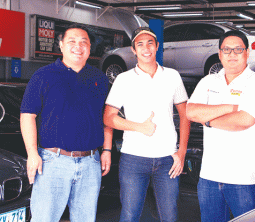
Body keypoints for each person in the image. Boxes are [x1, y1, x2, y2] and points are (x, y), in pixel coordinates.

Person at [20, 24, 112, 222]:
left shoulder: (100, 79)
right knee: (44, 218)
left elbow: (106, 118)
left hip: (90, 163)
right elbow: (28, 115)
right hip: (52, 162)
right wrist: (32, 153)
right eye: (72, 42)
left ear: (90, 48)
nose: (78, 46)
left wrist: (107, 150)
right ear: (61, 46)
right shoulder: (43, 76)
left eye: (84, 42)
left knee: (85, 219)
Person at [104, 27, 190, 222]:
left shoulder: (172, 76)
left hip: (168, 159)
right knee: (130, 216)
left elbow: (186, 116)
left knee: (169, 216)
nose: (146, 48)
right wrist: (139, 127)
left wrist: (182, 153)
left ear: (157, 46)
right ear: (133, 50)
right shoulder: (123, 79)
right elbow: (108, 117)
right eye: (140, 44)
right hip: (133, 159)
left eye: (150, 43)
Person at [186, 30, 255, 222]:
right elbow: (191, 112)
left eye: (238, 49)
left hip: (245, 179)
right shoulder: (208, 81)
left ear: (247, 53)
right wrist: (231, 107)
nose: (232, 54)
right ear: (220, 54)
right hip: (209, 176)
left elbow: (244, 121)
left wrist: (207, 119)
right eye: (227, 49)